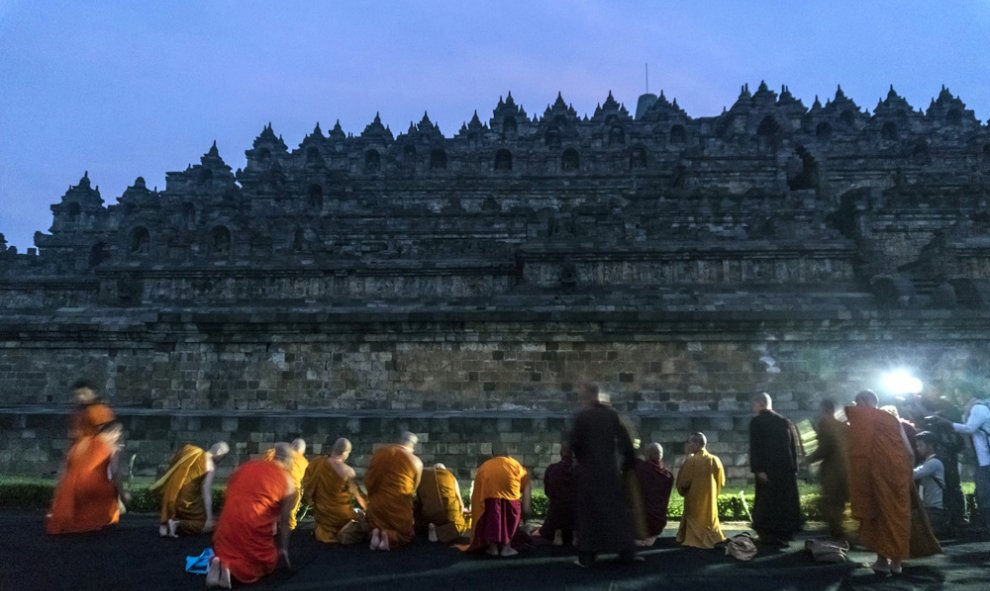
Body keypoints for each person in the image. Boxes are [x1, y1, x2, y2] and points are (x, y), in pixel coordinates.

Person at [846, 389, 940, 576]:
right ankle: (896, 563)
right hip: (897, 477)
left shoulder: (863, 421)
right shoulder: (892, 420)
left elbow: (855, 453)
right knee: (897, 517)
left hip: (876, 477)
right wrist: (905, 476)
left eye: (858, 404)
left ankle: (882, 561)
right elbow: (910, 452)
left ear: (864, 401)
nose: (856, 408)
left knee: (879, 516)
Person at [208, 442, 297, 589]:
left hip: (224, 532)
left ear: (274, 455)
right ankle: (230, 570)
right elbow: (285, 520)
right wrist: (283, 548)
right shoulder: (288, 482)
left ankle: (219, 565)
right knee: (267, 561)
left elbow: (229, 493)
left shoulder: (247, 466)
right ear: (289, 461)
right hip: (251, 532)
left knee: (228, 549)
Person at [568, 383, 638, 567]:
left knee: (589, 513)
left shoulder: (583, 416)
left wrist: (578, 459)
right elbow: (625, 441)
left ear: (590, 396)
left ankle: (588, 555)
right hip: (609, 470)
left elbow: (574, 443)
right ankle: (626, 551)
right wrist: (629, 462)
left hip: (590, 471)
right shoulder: (611, 415)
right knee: (615, 510)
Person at [46, 421, 124, 535]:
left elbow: (66, 465)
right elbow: (115, 472)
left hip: (72, 484)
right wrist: (121, 496)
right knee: (109, 488)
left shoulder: (81, 443)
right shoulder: (111, 447)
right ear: (114, 433)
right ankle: (97, 521)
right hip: (95, 486)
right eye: (118, 434)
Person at [748, 392, 802, 545]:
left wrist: (758, 469)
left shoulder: (757, 422)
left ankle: (768, 532)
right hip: (786, 469)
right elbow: (793, 447)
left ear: (759, 404)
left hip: (768, 470)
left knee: (767, 501)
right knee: (784, 501)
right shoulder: (785, 421)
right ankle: (785, 532)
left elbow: (756, 448)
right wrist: (794, 468)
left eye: (754, 405)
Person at [149, 441, 229, 537]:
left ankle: (164, 526)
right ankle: (178, 523)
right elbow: (206, 492)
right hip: (187, 502)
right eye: (223, 457)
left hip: (171, 494)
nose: (221, 460)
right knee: (202, 524)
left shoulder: (190, 450)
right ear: (219, 452)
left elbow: (173, 465)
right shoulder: (210, 465)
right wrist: (209, 518)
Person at [463, 451, 531, 556]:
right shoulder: (515, 465)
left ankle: (493, 548)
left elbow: (477, 491)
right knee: (509, 520)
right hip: (511, 498)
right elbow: (526, 485)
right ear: (508, 455)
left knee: (492, 520)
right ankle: (506, 548)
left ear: (493, 455)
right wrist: (526, 511)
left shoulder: (485, 466)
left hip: (490, 498)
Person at [939, 391, 990, 530]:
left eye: (959, 393)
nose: (958, 397)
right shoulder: (970, 410)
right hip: (981, 456)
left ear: (967, 393)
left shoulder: (978, 408)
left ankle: (986, 522)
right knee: (980, 489)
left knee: (984, 490)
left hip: (985, 456)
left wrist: (950, 424)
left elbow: (970, 428)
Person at [364, 431, 424, 551]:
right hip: (398, 506)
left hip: (377, 505)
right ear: (413, 446)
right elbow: (413, 488)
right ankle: (389, 537)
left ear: (398, 440)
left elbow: (368, 479)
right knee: (405, 534)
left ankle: (376, 533)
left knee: (375, 522)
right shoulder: (416, 461)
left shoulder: (380, 453)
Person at [302, 437, 367, 543]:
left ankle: (328, 529)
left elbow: (307, 483)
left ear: (334, 449)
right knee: (360, 516)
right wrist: (368, 511)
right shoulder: (348, 471)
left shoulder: (318, 463)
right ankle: (344, 531)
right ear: (345, 453)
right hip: (341, 515)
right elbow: (358, 496)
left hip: (321, 513)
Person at [805, 399, 849, 540]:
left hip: (832, 472)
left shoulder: (826, 425)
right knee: (839, 501)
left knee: (830, 502)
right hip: (845, 469)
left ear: (825, 410)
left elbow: (824, 449)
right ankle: (840, 530)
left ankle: (837, 532)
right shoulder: (844, 426)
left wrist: (807, 460)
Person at [675, 432, 727, 549]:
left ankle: (694, 539)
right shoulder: (715, 460)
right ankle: (713, 537)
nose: (688, 446)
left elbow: (683, 483)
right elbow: (722, 482)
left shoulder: (691, 461)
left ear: (697, 444)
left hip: (694, 502)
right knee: (710, 520)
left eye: (690, 443)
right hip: (710, 502)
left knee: (694, 520)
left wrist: (682, 491)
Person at [416, 463, 468, 544]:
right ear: (444, 470)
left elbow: (418, 499)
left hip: (429, 515)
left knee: (421, 518)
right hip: (447, 516)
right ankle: (439, 532)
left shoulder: (424, 477)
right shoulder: (450, 477)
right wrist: (461, 512)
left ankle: (430, 526)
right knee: (460, 525)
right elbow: (459, 501)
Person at [633, 442, 674, 546]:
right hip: (658, 522)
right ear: (661, 455)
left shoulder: (639, 469)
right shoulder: (668, 476)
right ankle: (650, 538)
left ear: (646, 454)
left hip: (639, 522)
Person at [538, 441, 578, 545]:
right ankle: (575, 535)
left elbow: (547, 490)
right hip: (576, 512)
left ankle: (558, 534)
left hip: (557, 511)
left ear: (561, 453)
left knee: (558, 503)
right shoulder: (580, 469)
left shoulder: (552, 469)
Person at [264, 438, 308, 530]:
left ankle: (272, 532)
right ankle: (289, 535)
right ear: (302, 451)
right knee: (289, 516)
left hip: (273, 488)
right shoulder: (303, 462)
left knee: (271, 514)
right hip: (292, 492)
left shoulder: (274, 454)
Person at [913, 432, 949, 537]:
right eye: (917, 446)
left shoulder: (934, 463)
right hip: (930, 508)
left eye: (920, 445)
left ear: (930, 446)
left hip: (936, 510)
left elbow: (914, 474)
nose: (918, 448)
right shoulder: (927, 462)